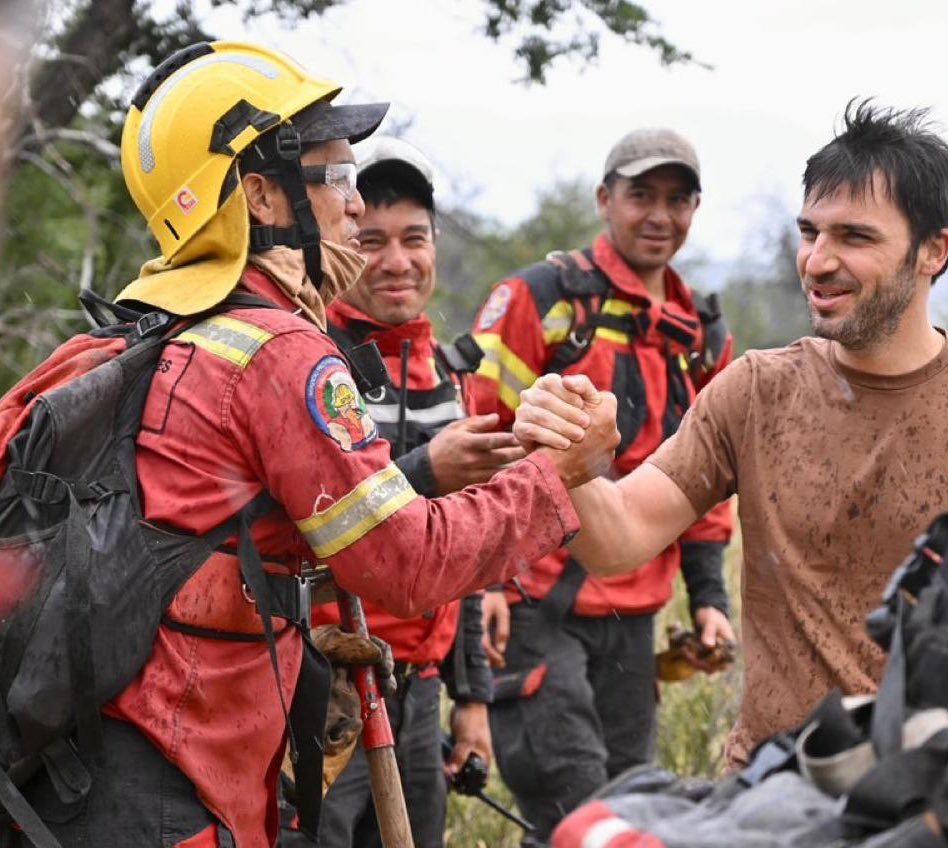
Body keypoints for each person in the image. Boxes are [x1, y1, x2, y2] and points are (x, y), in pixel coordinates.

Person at [11, 41, 617, 848]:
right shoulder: (276, 353)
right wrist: (556, 475)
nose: (357, 207)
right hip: (170, 788)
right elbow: (406, 564)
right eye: (337, 175)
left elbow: (206, 542)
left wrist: (387, 511)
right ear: (261, 195)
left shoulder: (164, 334)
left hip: (92, 779)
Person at [513, 100, 948, 773]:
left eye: (854, 237)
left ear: (935, 250)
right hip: (769, 795)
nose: (817, 261)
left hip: (934, 800)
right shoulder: (754, 390)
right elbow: (617, 544)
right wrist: (570, 458)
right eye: (809, 232)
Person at [470, 127, 735, 843]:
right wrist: (485, 583)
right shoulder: (544, 297)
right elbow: (481, 438)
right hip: (533, 603)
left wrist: (709, 598)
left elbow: (711, 477)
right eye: (640, 194)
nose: (659, 215)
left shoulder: (701, 335)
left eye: (678, 199)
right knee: (575, 810)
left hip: (636, 611)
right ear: (604, 199)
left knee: (630, 812)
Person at [281, 137, 521, 847]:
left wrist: (472, 701)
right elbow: (311, 526)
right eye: (371, 239)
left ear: (436, 244)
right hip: (322, 694)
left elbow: (466, 550)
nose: (396, 261)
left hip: (418, 701)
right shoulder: (305, 356)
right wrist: (425, 470)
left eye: (414, 239)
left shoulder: (449, 376)